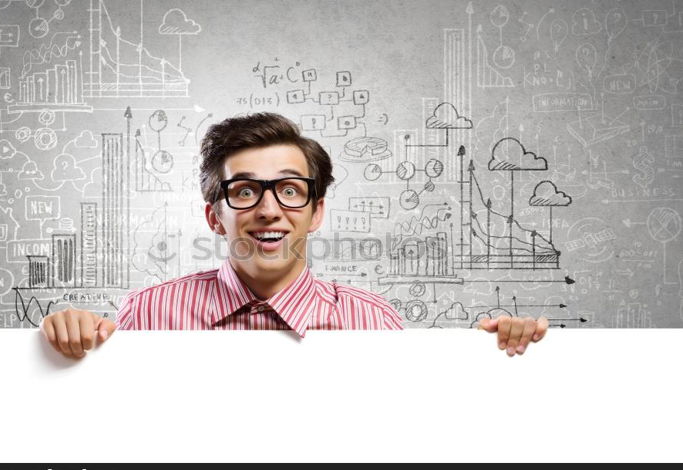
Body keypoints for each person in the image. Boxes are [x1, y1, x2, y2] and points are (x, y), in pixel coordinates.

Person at [41, 112, 549, 358]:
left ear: (317, 210)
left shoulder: (373, 322)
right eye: (244, 191)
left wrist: (500, 358)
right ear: (214, 216)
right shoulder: (148, 314)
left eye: (289, 189)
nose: (268, 210)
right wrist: (67, 347)